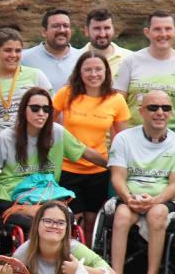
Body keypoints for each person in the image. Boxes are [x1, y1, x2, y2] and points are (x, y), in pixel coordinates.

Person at [0, 86, 98, 239]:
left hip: (46, 195)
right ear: (24, 110)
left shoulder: (57, 132)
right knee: (47, 217)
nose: (41, 113)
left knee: (62, 217)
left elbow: (86, 152)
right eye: (35, 108)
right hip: (10, 196)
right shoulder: (7, 137)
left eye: (46, 109)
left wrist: (113, 165)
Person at [107, 89, 175, 274]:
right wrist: (128, 198)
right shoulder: (124, 139)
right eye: (153, 107)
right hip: (131, 197)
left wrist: (155, 200)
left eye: (166, 108)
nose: (160, 112)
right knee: (121, 215)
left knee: (157, 214)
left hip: (165, 200)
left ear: (171, 113)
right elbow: (118, 177)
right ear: (142, 111)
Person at [52, 52, 128, 241]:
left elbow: (122, 138)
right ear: (80, 72)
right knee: (72, 220)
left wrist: (119, 165)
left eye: (98, 69)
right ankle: (70, 255)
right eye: (88, 69)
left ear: (106, 72)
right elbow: (47, 124)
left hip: (99, 170)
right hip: (67, 168)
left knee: (92, 222)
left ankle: (89, 256)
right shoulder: (66, 94)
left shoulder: (116, 99)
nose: (93, 74)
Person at [113, 11, 175, 135]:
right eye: (157, 29)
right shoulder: (130, 62)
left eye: (168, 29)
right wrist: (120, 140)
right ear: (147, 32)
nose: (163, 34)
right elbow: (116, 105)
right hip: (134, 136)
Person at [0, 27, 51, 144]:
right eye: (8, 50)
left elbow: (53, 109)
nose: (13, 55)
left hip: (29, 145)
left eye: (18, 51)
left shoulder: (36, 75)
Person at [20, 8, 81, 87]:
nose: (62, 30)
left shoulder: (81, 58)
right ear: (44, 32)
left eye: (66, 26)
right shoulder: (24, 59)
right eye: (56, 26)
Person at [82, 9, 130, 82]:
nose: (102, 34)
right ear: (86, 31)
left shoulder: (130, 58)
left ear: (113, 29)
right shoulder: (76, 59)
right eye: (97, 28)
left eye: (107, 28)